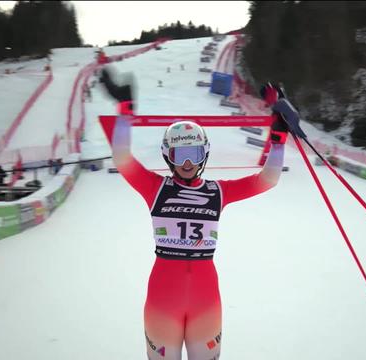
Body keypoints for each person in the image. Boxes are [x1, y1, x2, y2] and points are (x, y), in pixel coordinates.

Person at [102, 68, 288, 360]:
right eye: (179, 155)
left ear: (205, 155)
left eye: (195, 154)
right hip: (164, 301)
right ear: (168, 156)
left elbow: (268, 179)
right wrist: (125, 112)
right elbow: (123, 159)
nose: (187, 162)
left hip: (205, 301)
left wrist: (278, 139)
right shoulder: (155, 188)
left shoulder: (218, 192)